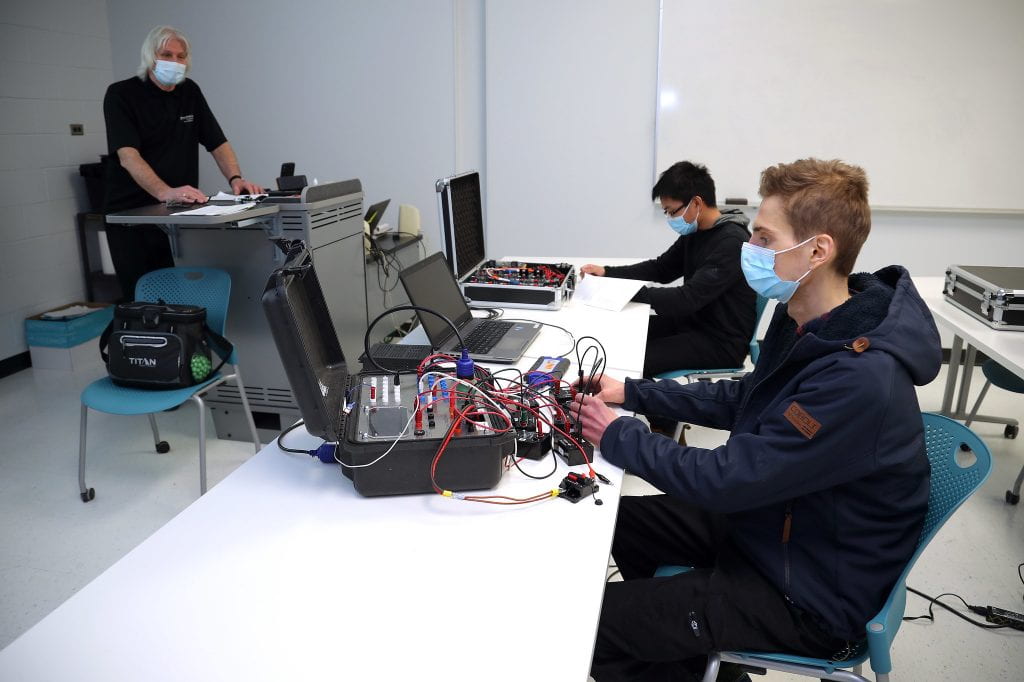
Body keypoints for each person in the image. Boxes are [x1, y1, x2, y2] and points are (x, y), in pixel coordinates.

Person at [574, 159, 941, 682]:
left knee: (596, 629)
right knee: (618, 524)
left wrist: (618, 434)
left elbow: (726, 479)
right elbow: (750, 396)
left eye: (764, 239)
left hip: (807, 592)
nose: (750, 250)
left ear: (817, 250)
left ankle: (684, 641)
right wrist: (631, 393)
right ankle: (697, 655)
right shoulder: (810, 319)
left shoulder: (859, 379)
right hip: (776, 524)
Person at [102, 25, 263, 300]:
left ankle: (184, 342)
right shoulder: (121, 94)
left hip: (177, 212)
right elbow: (128, 156)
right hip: (132, 215)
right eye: (167, 54)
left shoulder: (189, 92)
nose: (175, 62)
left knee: (182, 297)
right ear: (150, 57)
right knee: (147, 299)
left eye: (181, 56)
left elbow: (217, 142)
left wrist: (236, 179)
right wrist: (165, 192)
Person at [580, 161, 757, 380]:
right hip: (691, 325)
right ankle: (646, 404)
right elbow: (661, 269)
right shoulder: (697, 231)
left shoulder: (731, 241)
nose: (670, 217)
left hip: (720, 342)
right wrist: (607, 273)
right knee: (620, 336)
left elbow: (687, 299)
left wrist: (622, 292)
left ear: (696, 203)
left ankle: (655, 411)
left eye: (671, 211)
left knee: (629, 362)